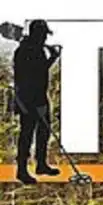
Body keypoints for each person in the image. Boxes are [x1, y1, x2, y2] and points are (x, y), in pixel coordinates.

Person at [13, 19, 61, 184]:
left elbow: (40, 70)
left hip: (40, 96)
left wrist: (53, 57)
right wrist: (26, 103)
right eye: (43, 35)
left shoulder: (37, 50)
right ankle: (21, 170)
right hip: (28, 98)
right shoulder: (24, 51)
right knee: (26, 134)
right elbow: (22, 78)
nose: (45, 38)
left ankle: (41, 164)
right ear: (36, 34)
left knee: (43, 132)